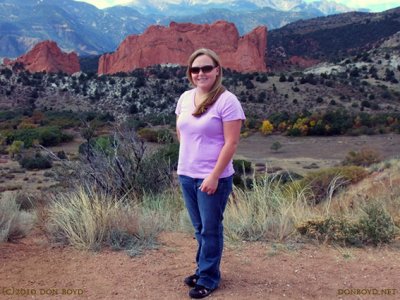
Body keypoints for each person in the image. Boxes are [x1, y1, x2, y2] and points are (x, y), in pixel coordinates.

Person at [175, 48, 245, 299]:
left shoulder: (227, 101)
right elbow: (181, 132)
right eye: (195, 69)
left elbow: (231, 143)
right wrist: (187, 162)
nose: (200, 73)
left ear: (217, 70)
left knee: (210, 229)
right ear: (190, 73)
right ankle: (203, 269)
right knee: (199, 228)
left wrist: (214, 175)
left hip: (213, 177)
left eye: (206, 68)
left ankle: (208, 278)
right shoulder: (184, 98)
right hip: (186, 174)